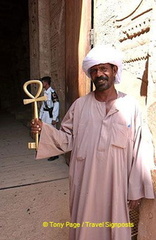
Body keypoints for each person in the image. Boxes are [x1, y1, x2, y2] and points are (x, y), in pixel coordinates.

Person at [31, 45, 154, 240]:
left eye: (104, 68)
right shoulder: (80, 106)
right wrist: (44, 130)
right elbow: (66, 139)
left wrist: (136, 189)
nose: (99, 74)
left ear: (114, 70)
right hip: (85, 184)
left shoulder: (130, 107)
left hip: (117, 186)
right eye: (94, 70)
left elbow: (140, 151)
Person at [39, 76, 59, 161]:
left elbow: (56, 105)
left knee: (52, 135)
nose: (42, 84)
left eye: (43, 82)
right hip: (45, 116)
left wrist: (54, 118)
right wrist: (40, 116)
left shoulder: (52, 92)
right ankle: (49, 151)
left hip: (50, 117)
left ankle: (55, 153)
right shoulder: (45, 92)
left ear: (46, 83)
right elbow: (43, 105)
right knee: (46, 134)